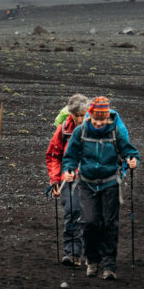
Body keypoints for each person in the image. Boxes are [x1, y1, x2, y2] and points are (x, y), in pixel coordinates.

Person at [61, 95, 139, 280]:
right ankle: (92, 259)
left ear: (107, 118)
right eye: (95, 119)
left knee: (109, 223)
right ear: (90, 116)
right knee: (89, 222)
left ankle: (109, 265)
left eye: (102, 119)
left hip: (110, 182)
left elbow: (129, 151)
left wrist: (132, 160)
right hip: (87, 184)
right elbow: (70, 156)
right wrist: (69, 170)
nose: (98, 123)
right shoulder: (81, 131)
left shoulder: (115, 132)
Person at [45, 93, 90, 267]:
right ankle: (72, 253)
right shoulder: (63, 129)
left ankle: (91, 254)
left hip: (92, 178)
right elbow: (53, 155)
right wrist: (55, 181)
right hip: (68, 178)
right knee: (73, 212)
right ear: (71, 114)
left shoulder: (98, 127)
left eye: (83, 115)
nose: (80, 119)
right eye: (77, 116)